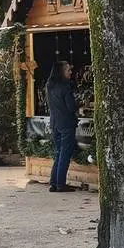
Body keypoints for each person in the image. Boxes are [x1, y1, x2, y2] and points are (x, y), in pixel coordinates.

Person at [45, 61, 79, 193]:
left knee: (58, 152)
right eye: (68, 70)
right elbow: (71, 107)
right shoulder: (65, 87)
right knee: (65, 154)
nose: (71, 72)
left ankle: (53, 183)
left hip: (55, 123)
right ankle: (60, 184)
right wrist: (80, 104)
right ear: (61, 72)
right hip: (66, 123)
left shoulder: (49, 85)